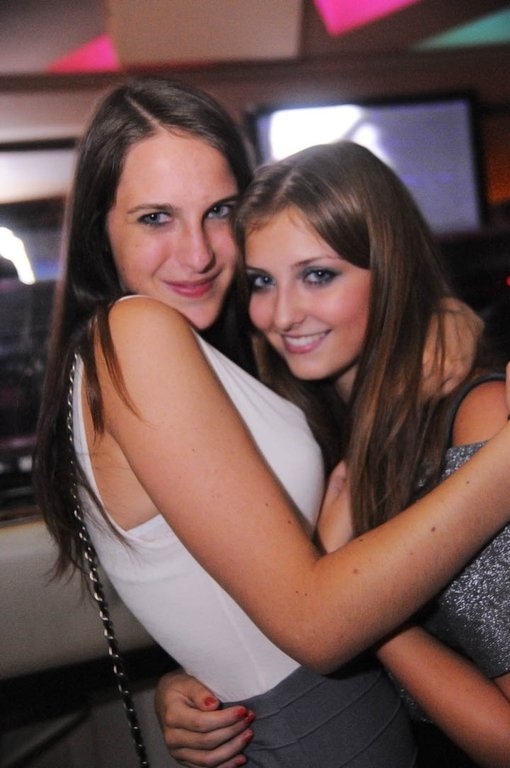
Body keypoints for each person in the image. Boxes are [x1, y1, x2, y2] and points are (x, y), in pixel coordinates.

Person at [33, 78, 510, 768]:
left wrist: (198, 673)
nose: (197, 253)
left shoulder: (239, 356)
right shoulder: (137, 332)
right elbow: (313, 624)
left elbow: (239, 581)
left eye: (219, 211)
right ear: (99, 231)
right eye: (155, 217)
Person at [155, 141, 510, 768]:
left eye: (318, 275)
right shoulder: (302, 430)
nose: (282, 315)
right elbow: (278, 606)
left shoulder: (476, 419)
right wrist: (192, 682)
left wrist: (357, 605)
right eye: (262, 281)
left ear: (390, 270)